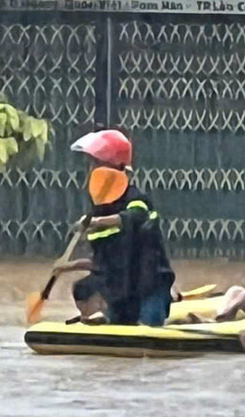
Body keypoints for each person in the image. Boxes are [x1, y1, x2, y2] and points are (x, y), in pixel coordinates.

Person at [58, 129, 175, 326]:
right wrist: (67, 266)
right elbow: (103, 261)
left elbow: (133, 217)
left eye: (97, 164)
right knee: (85, 289)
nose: (91, 170)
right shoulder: (100, 209)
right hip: (121, 289)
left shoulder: (137, 199)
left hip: (149, 284)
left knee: (147, 327)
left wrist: (94, 223)